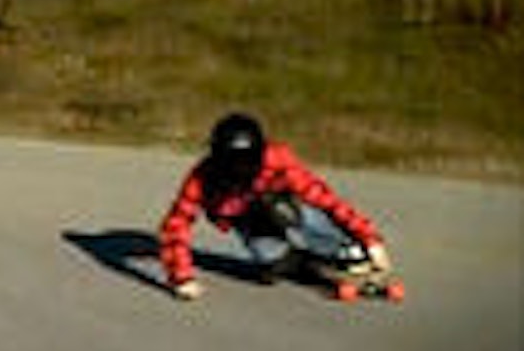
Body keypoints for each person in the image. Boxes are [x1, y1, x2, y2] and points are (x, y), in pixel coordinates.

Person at [159, 112, 393, 301]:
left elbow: (323, 197)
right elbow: (176, 226)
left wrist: (369, 238)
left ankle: (344, 249)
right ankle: (305, 263)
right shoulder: (202, 178)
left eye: (248, 164)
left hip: (285, 206)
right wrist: (182, 278)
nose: (242, 172)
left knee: (282, 207)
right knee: (271, 266)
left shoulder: (278, 158)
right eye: (234, 166)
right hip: (247, 220)